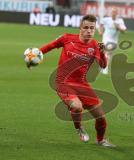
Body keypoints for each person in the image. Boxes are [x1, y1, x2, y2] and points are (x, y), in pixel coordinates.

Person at [29, 15, 115, 147]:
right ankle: (79, 128)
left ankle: (100, 140)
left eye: (92, 28)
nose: (89, 31)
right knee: (76, 106)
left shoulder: (94, 45)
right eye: (86, 27)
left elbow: (103, 65)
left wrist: (102, 52)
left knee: (101, 116)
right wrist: (34, 56)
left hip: (81, 84)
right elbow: (49, 46)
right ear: (80, 28)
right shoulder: (67, 38)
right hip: (62, 82)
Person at [98, 7, 127, 75]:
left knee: (108, 54)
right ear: (111, 13)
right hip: (105, 38)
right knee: (106, 52)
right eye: (112, 12)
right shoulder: (106, 19)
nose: (113, 13)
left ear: (117, 13)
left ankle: (104, 66)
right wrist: (100, 31)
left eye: (115, 12)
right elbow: (101, 25)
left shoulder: (120, 21)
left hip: (114, 41)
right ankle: (104, 68)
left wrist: (118, 27)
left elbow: (124, 31)